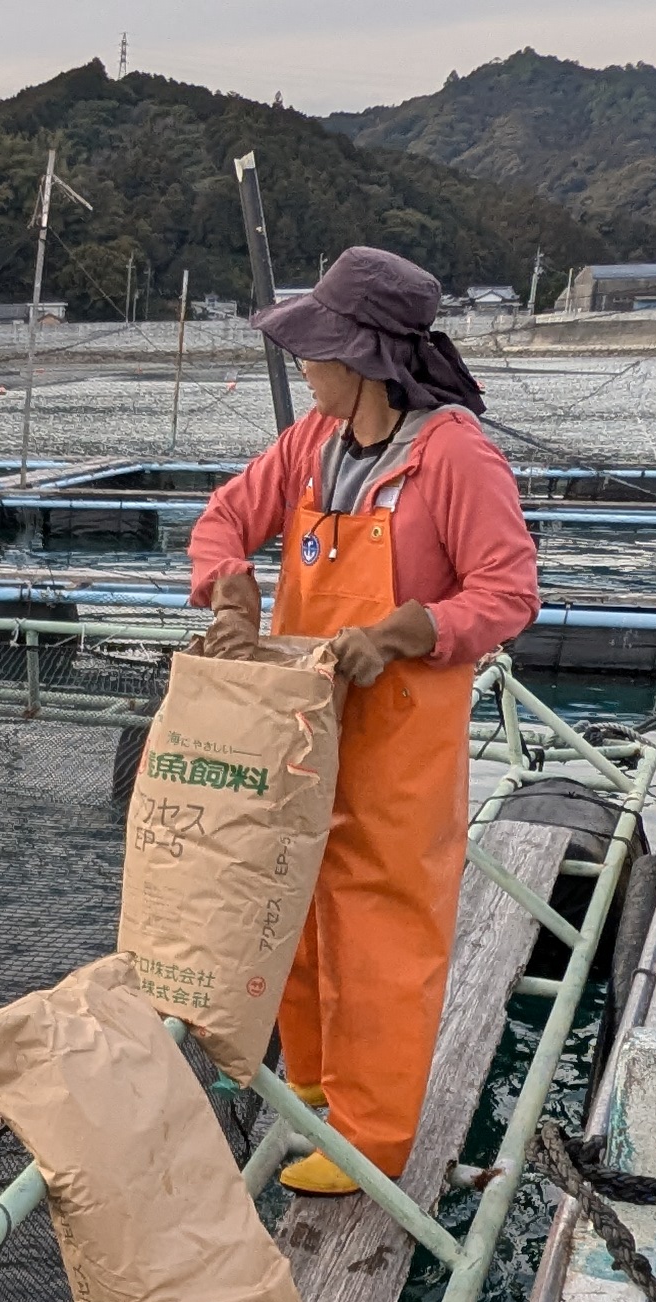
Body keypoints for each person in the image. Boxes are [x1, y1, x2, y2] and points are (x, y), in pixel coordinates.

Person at [183, 247, 538, 1194]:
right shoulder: (311, 446)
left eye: (318, 348)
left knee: (382, 936)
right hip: (301, 733)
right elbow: (224, 519)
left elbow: (509, 591)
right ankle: (314, 1097)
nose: (305, 364)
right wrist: (228, 590)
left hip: (400, 744)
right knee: (292, 912)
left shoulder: (454, 454)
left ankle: (372, 1141)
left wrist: (416, 627)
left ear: (366, 356)